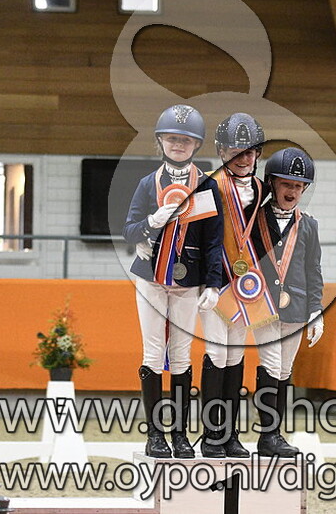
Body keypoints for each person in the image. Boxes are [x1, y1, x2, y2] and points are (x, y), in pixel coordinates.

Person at [123, 104, 223, 458]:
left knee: (181, 355)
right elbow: (129, 230)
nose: (178, 145)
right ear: (161, 141)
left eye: (185, 140)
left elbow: (213, 240)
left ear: (196, 145)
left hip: (188, 278)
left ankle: (179, 435)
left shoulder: (206, 186)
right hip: (151, 278)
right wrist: (150, 223)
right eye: (172, 139)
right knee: (152, 352)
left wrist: (213, 283)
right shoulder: (146, 184)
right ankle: (155, 435)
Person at [198, 112, 273, 458]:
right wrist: (208, 281)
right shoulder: (209, 184)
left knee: (235, 354)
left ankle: (230, 435)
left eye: (249, 152)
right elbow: (201, 235)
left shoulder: (260, 189)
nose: (243, 159)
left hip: (245, 283)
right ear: (221, 151)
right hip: (215, 280)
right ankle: (211, 434)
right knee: (217, 352)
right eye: (235, 151)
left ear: (257, 154)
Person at [250, 147, 324, 457]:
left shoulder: (309, 225)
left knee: (283, 370)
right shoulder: (254, 219)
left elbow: (313, 269)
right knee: (270, 364)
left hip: (296, 307)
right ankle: (268, 435)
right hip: (263, 303)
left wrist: (316, 310)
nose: (292, 191)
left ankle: (273, 435)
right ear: (272, 183)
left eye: (298, 186)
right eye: (286, 184)